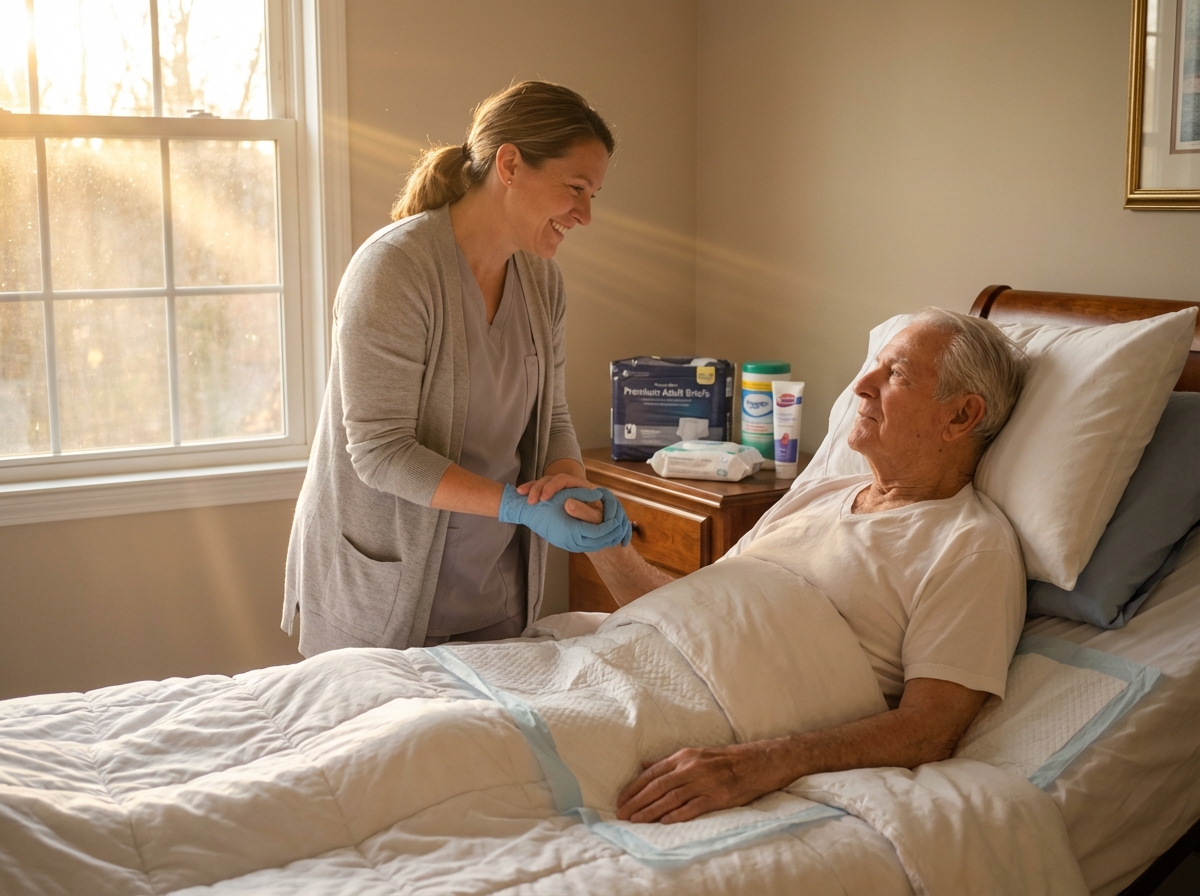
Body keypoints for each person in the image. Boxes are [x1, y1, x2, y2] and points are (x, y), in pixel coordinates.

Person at [570, 308, 1030, 824]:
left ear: (962, 417)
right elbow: (692, 616)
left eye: (895, 374)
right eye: (875, 367)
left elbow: (929, 729)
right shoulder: (817, 494)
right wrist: (603, 542)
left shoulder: (970, 547)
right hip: (614, 672)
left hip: (689, 720)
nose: (861, 384)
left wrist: (761, 764)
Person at [283, 81, 630, 657]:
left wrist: (569, 483)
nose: (585, 214)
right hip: (387, 594)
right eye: (575, 188)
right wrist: (517, 506)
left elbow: (554, 414)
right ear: (511, 163)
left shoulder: (542, 282)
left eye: (593, 194)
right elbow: (379, 450)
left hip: (493, 591)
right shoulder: (395, 270)